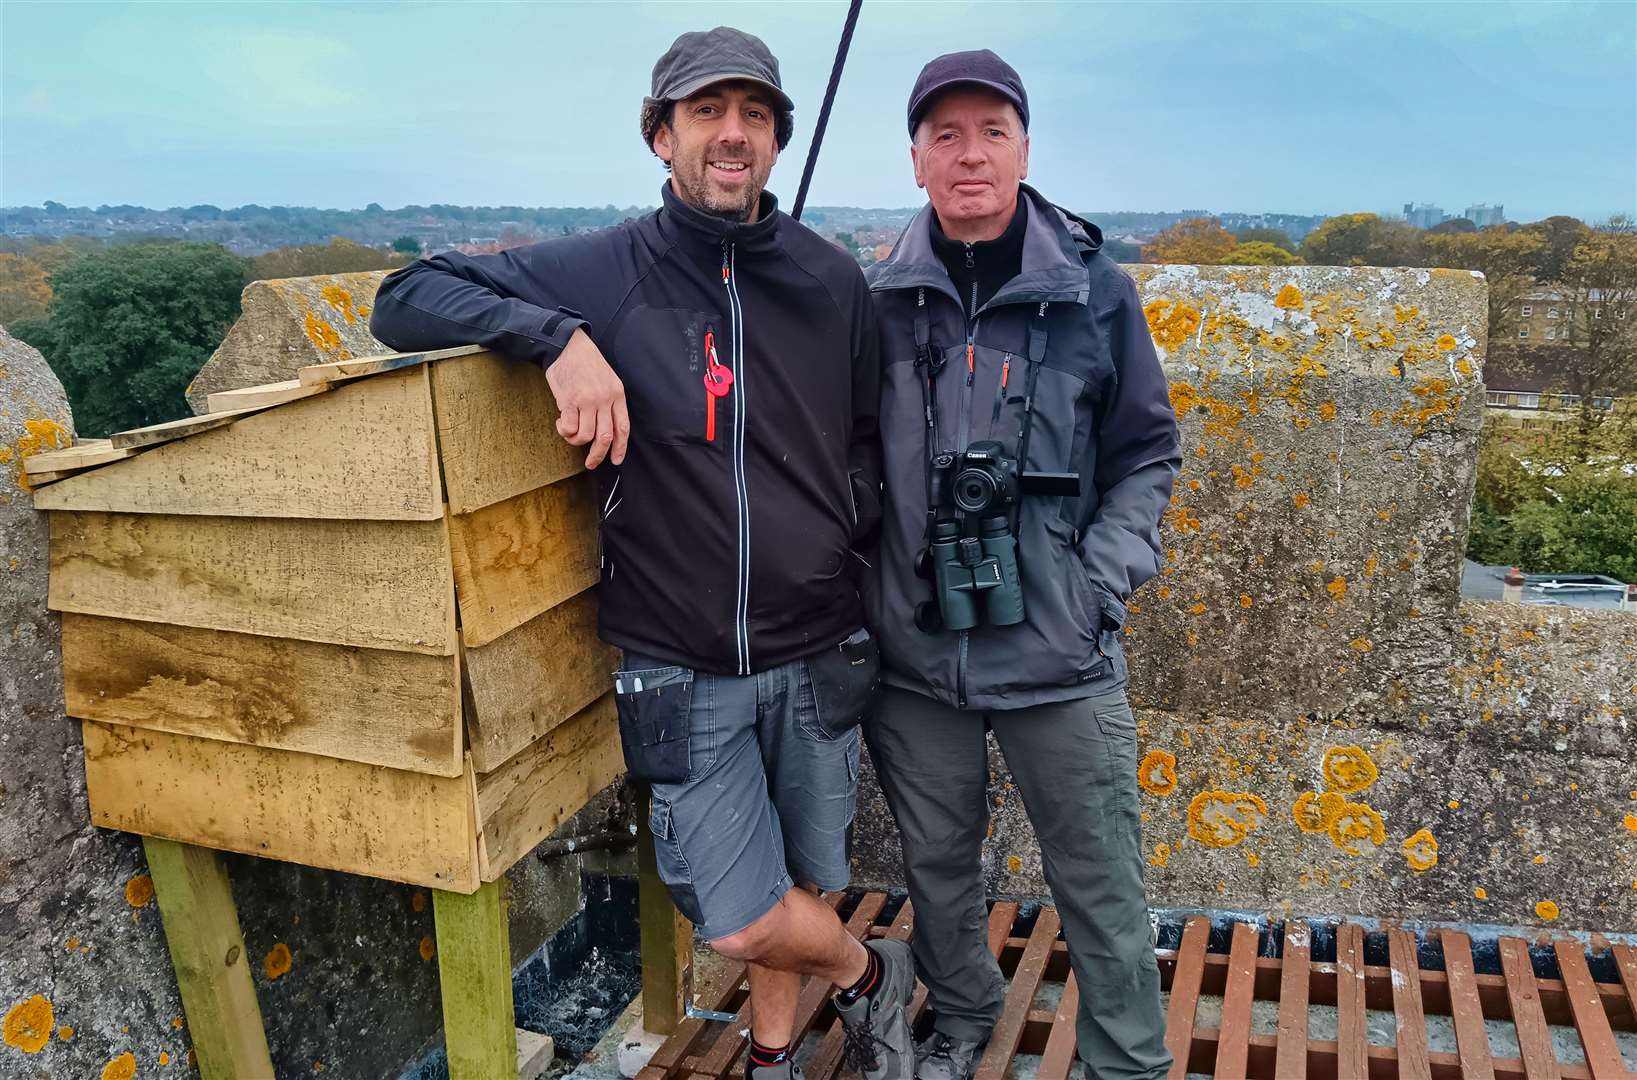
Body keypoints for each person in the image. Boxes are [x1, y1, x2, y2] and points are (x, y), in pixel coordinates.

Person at [369, 27, 914, 1080]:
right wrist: (556, 340)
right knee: (743, 915)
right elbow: (405, 298)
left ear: (776, 141)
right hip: (680, 659)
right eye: (706, 112)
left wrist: (845, 558)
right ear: (660, 135)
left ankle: (769, 1056)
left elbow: (861, 443)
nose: (731, 134)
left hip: (817, 648)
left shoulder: (829, 280)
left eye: (754, 115)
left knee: (800, 872)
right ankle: (866, 975)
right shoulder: (606, 271)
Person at [862, 50, 1180, 1080]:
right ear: (914, 160)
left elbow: (1145, 452)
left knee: (1099, 878)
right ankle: (962, 1017)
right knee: (936, 872)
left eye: (990, 133)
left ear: (1023, 149)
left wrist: (1095, 586)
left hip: (1059, 650)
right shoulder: (871, 303)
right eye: (944, 136)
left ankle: (1125, 1063)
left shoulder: (1092, 292)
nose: (968, 156)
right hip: (916, 655)